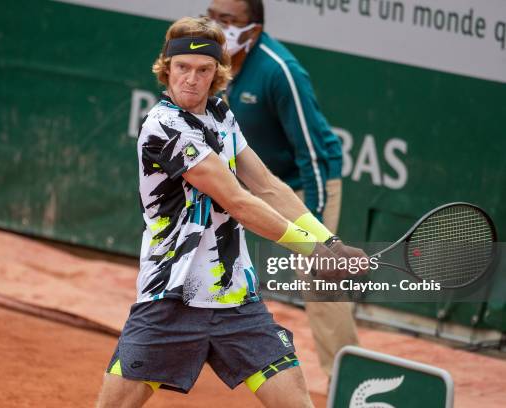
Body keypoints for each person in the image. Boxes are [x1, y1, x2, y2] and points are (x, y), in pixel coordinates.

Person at [96, 16, 367, 408]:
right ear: (166, 69)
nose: (191, 79)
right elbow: (239, 202)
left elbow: (269, 186)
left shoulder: (221, 115)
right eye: (182, 68)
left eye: (203, 70)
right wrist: (314, 252)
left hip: (236, 301)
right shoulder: (164, 127)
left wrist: (331, 242)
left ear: (216, 73)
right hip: (171, 299)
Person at [207, 0, 359, 379]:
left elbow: (314, 154)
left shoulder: (280, 72)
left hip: (303, 184)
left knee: (322, 285)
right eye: (213, 16)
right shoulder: (207, 61)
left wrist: (320, 234)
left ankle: (345, 381)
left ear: (253, 30)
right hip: (245, 186)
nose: (218, 26)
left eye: (229, 20)